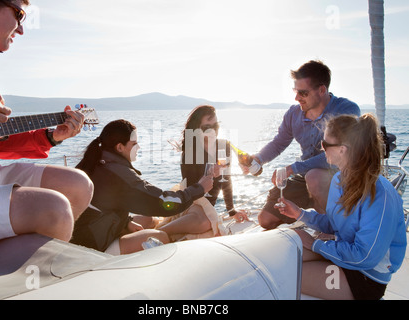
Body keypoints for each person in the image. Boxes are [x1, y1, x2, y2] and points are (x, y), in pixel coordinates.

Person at [0, 0, 93, 251]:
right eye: (20, 14)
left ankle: (20, 272)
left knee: (77, 185)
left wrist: (50, 137)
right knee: (54, 209)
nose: (20, 29)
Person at [276, 113, 407, 300]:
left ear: (342, 150)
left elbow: (365, 256)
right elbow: (335, 223)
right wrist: (300, 214)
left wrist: (316, 245)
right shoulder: (340, 179)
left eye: (325, 144)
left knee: (288, 275)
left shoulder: (379, 194)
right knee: (285, 258)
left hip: (365, 277)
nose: (321, 148)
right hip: (345, 258)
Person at [244, 60, 361, 229]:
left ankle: (330, 232)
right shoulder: (293, 113)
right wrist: (258, 159)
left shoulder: (346, 110)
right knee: (266, 219)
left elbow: (337, 156)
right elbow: (279, 142)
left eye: (303, 93)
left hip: (341, 177)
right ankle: (313, 209)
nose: (296, 97)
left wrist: (293, 168)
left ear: (322, 90)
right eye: (295, 91)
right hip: (304, 176)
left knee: (314, 177)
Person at [72, 119, 213, 255]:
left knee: (147, 219)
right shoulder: (118, 174)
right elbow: (163, 202)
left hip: (90, 230)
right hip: (93, 246)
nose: (138, 147)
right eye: (134, 143)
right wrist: (200, 188)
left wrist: (126, 223)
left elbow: (102, 204)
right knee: (161, 237)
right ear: (119, 147)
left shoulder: (97, 163)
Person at [158, 105, 249, 238]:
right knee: (205, 222)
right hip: (193, 200)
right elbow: (190, 186)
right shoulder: (191, 150)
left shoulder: (224, 146)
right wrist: (209, 175)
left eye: (215, 126)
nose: (212, 131)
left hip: (208, 205)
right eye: (207, 127)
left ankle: (163, 232)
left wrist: (231, 210)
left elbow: (226, 181)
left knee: (206, 222)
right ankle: (160, 233)